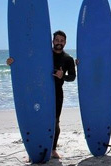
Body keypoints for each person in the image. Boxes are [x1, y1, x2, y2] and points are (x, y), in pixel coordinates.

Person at [6, 30, 76, 159]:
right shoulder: (43, 54)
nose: (59, 43)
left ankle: (53, 149)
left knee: (55, 122)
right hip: (39, 92)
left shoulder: (68, 59)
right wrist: (12, 62)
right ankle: (36, 148)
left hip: (57, 94)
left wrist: (63, 76)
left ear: (65, 42)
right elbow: (27, 63)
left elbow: (72, 77)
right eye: (57, 40)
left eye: (62, 41)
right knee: (38, 120)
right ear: (53, 41)